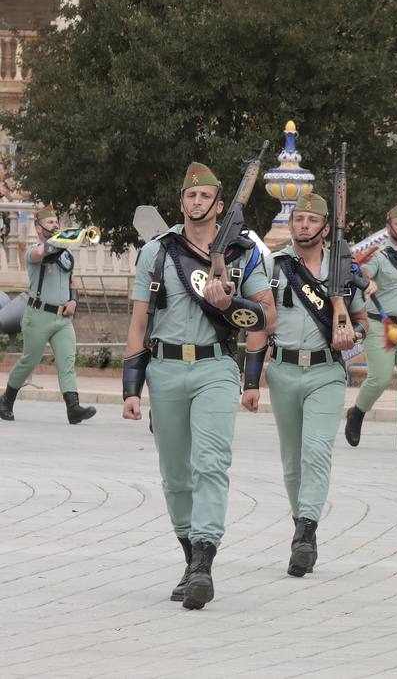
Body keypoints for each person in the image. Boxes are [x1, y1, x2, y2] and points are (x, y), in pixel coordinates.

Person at [121, 162, 275, 610]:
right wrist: (132, 387)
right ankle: (191, 561)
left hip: (214, 367)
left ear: (220, 204)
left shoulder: (242, 253)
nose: (196, 202)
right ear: (182, 202)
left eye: (204, 196)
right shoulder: (159, 251)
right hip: (165, 369)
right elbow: (138, 321)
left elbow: (268, 317)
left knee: (210, 462)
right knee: (175, 475)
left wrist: (232, 303)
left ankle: (205, 561)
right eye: (190, 196)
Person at [263, 193, 367, 576]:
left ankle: (306, 534)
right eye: (298, 219)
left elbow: (361, 321)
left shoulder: (342, 269)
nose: (303, 225)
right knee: (292, 460)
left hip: (326, 372)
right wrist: (250, 378)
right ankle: (300, 523)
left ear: (325, 227)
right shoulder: (275, 266)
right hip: (283, 370)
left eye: (311, 219)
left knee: (316, 451)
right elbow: (259, 321)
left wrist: (351, 334)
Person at [0, 204, 96, 424]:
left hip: (62, 318)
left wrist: (73, 300)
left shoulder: (66, 255)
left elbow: (71, 282)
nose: (54, 225)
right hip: (38, 315)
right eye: (50, 222)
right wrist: (63, 239)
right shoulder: (33, 251)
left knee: (67, 360)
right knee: (29, 361)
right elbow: (44, 253)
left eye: (56, 222)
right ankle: (6, 399)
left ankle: (73, 409)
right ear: (38, 226)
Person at [345, 203, 397, 453]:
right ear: (389, 227)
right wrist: (365, 279)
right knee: (380, 379)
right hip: (383, 325)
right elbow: (362, 272)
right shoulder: (380, 255)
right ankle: (357, 413)